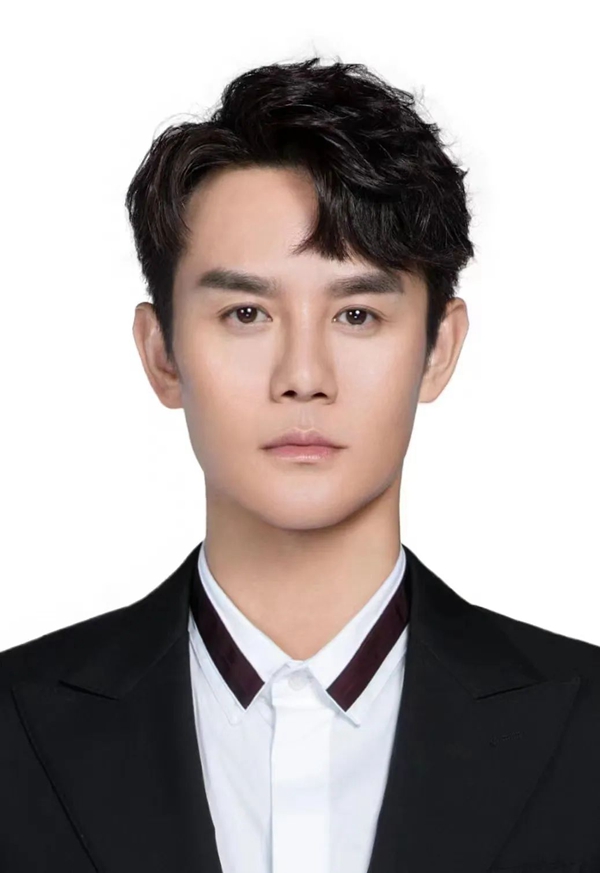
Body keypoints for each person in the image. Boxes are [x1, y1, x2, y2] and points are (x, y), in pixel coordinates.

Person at [1, 56, 599, 873]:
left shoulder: (586, 731)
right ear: (162, 352)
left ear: (438, 348)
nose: (304, 376)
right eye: (247, 312)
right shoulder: (15, 728)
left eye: (357, 314)